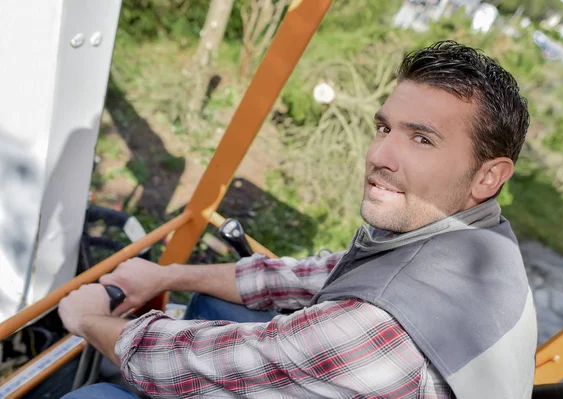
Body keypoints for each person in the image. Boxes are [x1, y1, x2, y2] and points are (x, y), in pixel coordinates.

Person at [59, 41, 537, 399]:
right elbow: (324, 274)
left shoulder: (380, 326)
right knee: (214, 304)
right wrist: (168, 274)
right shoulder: (480, 244)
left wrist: (88, 321)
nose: (380, 155)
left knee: (95, 397)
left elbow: (190, 363)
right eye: (384, 128)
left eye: (422, 140)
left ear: (488, 175)